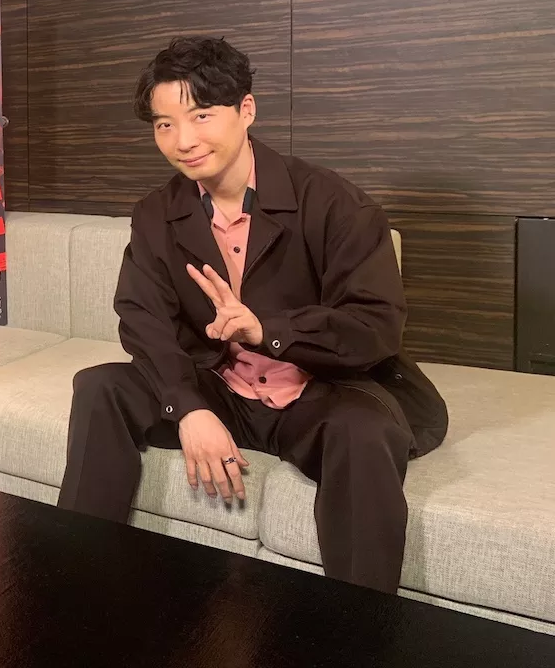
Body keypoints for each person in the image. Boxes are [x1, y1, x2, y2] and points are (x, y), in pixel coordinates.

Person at [56, 37, 448, 594]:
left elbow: (374, 326)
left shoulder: (336, 204)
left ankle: (363, 624)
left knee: (364, 433)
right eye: (165, 124)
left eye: (201, 115)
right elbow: (142, 318)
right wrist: (188, 407)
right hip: (223, 388)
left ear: (246, 110)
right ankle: (75, 587)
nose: (183, 141)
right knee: (100, 387)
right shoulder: (156, 214)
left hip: (319, 392)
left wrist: (268, 331)